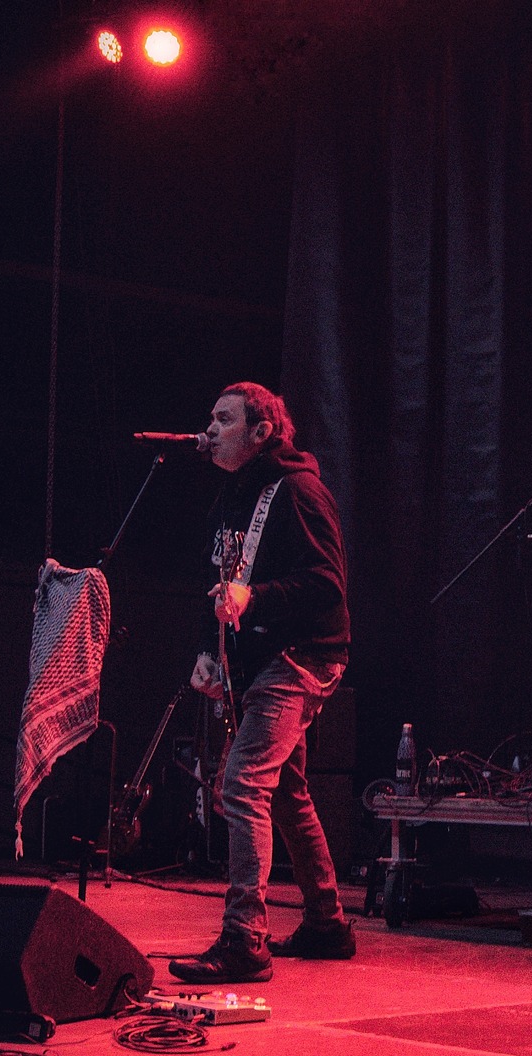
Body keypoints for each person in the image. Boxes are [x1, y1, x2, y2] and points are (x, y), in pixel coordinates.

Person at [170, 382, 354, 984]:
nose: (210, 429)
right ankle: (327, 923)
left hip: (302, 655)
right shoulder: (232, 497)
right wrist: (208, 649)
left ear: (261, 431)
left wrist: (257, 598)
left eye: (224, 420)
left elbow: (327, 583)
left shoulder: (299, 491)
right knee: (286, 792)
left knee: (243, 782)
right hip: (265, 657)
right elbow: (219, 582)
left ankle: (245, 938)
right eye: (210, 418)